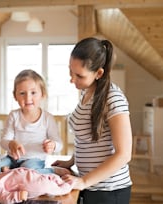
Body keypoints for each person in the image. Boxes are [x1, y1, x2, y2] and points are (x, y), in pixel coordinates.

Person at [52, 37, 133, 204]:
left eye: (79, 76)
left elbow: (124, 155)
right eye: (70, 72)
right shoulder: (86, 91)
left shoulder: (113, 98)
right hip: (90, 185)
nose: (72, 80)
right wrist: (71, 161)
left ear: (99, 73)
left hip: (109, 190)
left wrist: (84, 181)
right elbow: (87, 138)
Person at [0, 69, 70, 176]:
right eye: (22, 93)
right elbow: (4, 141)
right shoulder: (14, 116)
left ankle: (51, 171)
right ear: (15, 96)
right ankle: (12, 173)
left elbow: (59, 143)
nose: (28, 98)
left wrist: (53, 145)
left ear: (42, 94)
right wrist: (11, 143)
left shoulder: (47, 118)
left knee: (26, 172)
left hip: (34, 160)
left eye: (33, 93)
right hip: (12, 159)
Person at [0, 166, 74, 204]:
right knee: (47, 186)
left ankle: (59, 180)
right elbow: (4, 198)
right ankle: (68, 186)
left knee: (48, 177)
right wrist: (17, 196)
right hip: (30, 185)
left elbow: (10, 178)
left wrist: (7, 171)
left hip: (30, 177)